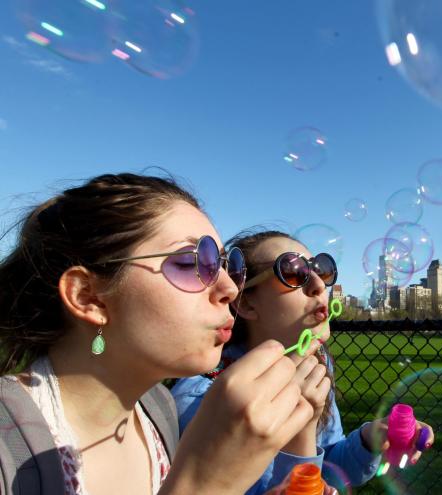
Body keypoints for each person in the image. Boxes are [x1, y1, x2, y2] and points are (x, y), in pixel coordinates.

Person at [0, 173, 314, 494]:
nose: (231, 288)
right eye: (192, 263)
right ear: (88, 297)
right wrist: (204, 486)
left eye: (225, 265)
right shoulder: (6, 449)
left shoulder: (158, 408)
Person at [172, 230, 434, 494]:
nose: (319, 284)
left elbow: (330, 464)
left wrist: (368, 441)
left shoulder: (317, 366)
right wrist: (300, 430)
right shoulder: (203, 399)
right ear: (247, 303)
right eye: (293, 271)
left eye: (322, 270)